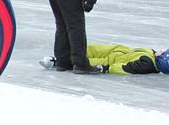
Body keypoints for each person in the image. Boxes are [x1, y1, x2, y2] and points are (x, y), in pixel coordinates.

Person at [40, 44, 169, 75]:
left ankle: (58, 61)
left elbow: (125, 68)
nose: (161, 50)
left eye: (163, 53)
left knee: (87, 61)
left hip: (112, 60)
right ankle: (65, 54)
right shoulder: (151, 54)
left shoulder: (147, 65)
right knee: (88, 47)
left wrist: (107, 68)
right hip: (117, 49)